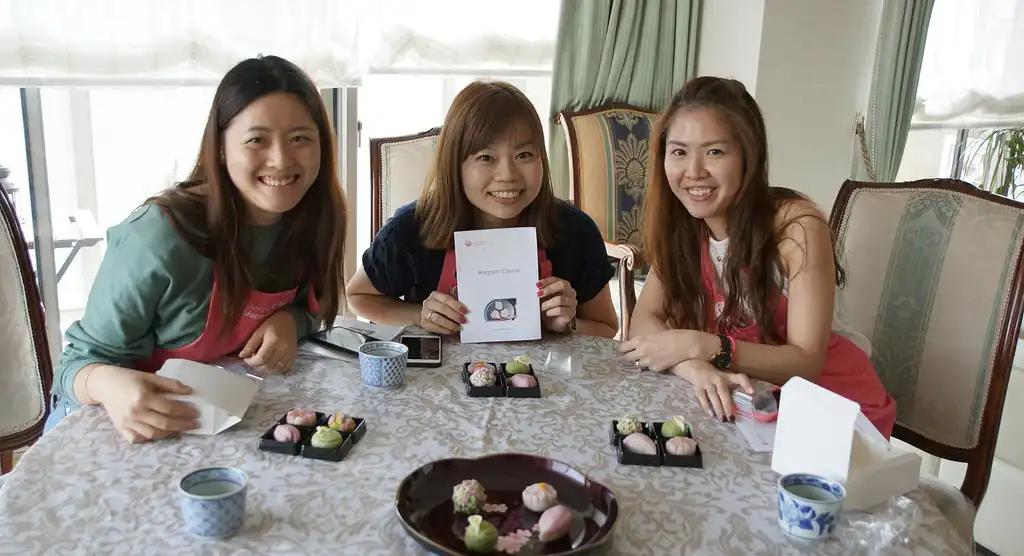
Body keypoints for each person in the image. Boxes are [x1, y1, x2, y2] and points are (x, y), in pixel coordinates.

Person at [46, 55, 348, 442]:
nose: (281, 160)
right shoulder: (159, 236)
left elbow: (316, 305)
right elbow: (74, 367)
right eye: (257, 140)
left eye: (300, 138)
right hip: (116, 429)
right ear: (221, 149)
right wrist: (110, 385)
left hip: (215, 427)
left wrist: (290, 321)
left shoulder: (313, 217)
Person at [620, 77, 896, 438]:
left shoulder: (796, 227)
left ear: (749, 157)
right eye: (679, 152)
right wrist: (694, 367)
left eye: (715, 152)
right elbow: (643, 321)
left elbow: (807, 362)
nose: (694, 171)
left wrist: (705, 346)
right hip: (756, 410)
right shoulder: (683, 225)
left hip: (837, 416)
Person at [346, 81, 619, 338]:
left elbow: (606, 326)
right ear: (454, 165)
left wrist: (567, 323)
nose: (507, 175)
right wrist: (420, 315)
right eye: (485, 157)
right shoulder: (413, 227)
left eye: (524, 155)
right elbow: (359, 297)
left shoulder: (575, 230)